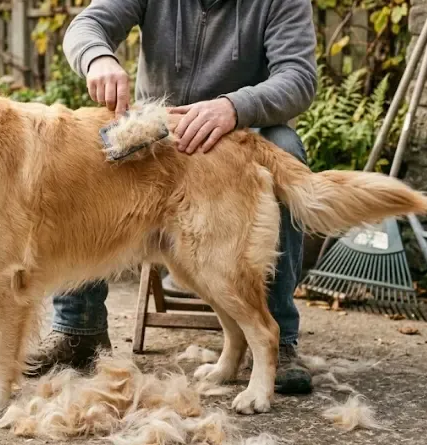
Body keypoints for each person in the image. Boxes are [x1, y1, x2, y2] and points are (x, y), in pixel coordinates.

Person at [24, 0, 317, 395]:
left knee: (286, 147)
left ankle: (278, 340)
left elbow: (298, 78)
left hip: (243, 130)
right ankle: (78, 327)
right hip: (154, 137)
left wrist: (234, 106)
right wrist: (97, 57)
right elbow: (88, 24)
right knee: (80, 159)